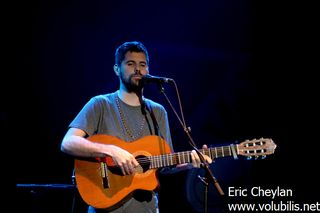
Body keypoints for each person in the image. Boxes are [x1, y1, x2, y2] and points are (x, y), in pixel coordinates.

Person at [60, 41, 213, 213]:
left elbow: (165, 166)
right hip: (105, 206)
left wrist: (189, 164)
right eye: (130, 64)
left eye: (143, 64)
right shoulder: (100, 104)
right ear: (117, 69)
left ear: (148, 70)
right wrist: (110, 150)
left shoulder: (158, 111)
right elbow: (68, 142)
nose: (138, 69)